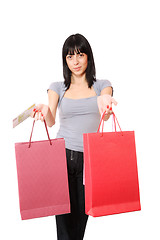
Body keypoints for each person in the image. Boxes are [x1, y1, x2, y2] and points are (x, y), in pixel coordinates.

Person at [32, 33, 117, 240]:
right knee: (63, 224)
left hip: (91, 159)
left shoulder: (102, 85)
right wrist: (44, 111)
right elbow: (51, 120)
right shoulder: (57, 87)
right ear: (65, 60)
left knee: (80, 221)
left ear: (88, 56)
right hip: (61, 156)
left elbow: (105, 117)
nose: (75, 61)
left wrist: (106, 104)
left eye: (80, 55)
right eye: (70, 57)